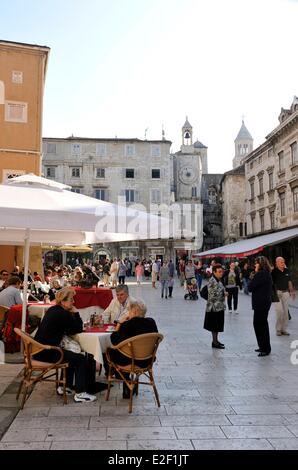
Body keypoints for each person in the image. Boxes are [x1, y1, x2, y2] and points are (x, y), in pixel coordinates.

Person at [33, 287, 97, 402]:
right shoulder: (62, 313)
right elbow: (77, 328)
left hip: (38, 351)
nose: (74, 302)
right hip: (47, 352)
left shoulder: (53, 310)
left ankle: (65, 386)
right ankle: (80, 393)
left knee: (71, 354)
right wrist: (76, 313)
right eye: (71, 300)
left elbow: (67, 329)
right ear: (63, 301)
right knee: (80, 359)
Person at [108, 300, 158, 398]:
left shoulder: (127, 325)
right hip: (146, 360)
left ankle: (127, 383)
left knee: (111, 351)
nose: (128, 313)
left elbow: (114, 340)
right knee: (123, 350)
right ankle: (129, 384)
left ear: (134, 312)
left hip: (128, 361)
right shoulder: (151, 322)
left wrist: (119, 324)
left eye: (129, 311)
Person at [248, 256, 272, 356]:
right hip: (264, 303)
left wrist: (253, 276)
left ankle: (264, 348)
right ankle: (265, 347)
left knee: (259, 325)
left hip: (260, 304)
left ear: (260, 264)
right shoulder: (266, 273)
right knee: (263, 325)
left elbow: (250, 287)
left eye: (256, 263)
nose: (255, 265)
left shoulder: (261, 274)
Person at [203, 264, 226, 349]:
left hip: (218, 306)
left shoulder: (218, 280)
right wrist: (224, 293)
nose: (221, 273)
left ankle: (215, 341)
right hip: (214, 307)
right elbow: (212, 295)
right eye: (219, 272)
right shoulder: (212, 281)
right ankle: (215, 342)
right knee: (214, 325)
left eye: (222, 272)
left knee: (217, 325)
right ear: (214, 272)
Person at [271, 257, 295, 336]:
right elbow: (271, 284)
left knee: (285, 313)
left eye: (283, 262)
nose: (283, 263)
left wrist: (292, 291)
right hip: (276, 293)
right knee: (279, 311)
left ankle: (284, 329)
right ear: (277, 263)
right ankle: (278, 330)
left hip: (285, 293)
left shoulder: (287, 270)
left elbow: (289, 281)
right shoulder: (273, 272)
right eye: (281, 262)